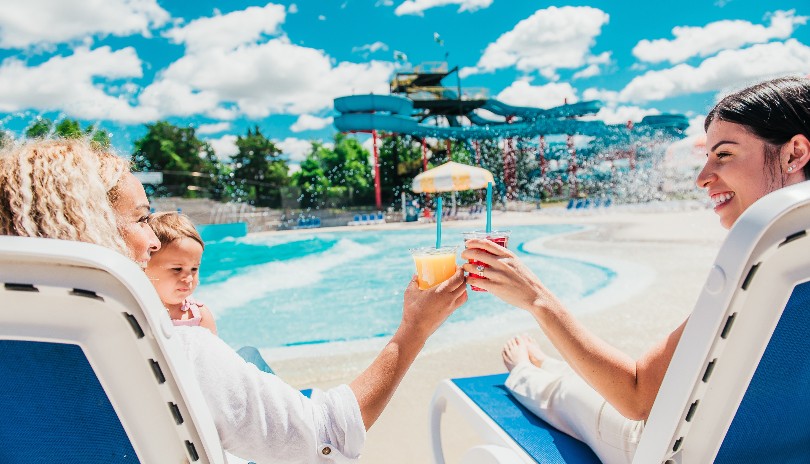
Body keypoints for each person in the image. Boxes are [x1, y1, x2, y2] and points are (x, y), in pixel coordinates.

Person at [0, 138, 469, 463]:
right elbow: (327, 433)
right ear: (91, 230)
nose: (154, 243)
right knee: (248, 364)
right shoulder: (172, 355)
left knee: (245, 359)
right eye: (143, 220)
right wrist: (414, 330)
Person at [461, 75, 810, 463]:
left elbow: (635, 394)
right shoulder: (796, 261)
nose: (701, 178)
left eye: (724, 154)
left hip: (684, 449)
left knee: (567, 396)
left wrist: (537, 298)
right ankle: (550, 364)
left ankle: (527, 370)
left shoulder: (765, 260)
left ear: (794, 154)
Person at [145, 211, 218, 334]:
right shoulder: (138, 312)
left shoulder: (198, 316)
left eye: (194, 269)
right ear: (144, 266)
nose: (188, 279)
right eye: (177, 269)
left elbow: (213, 352)